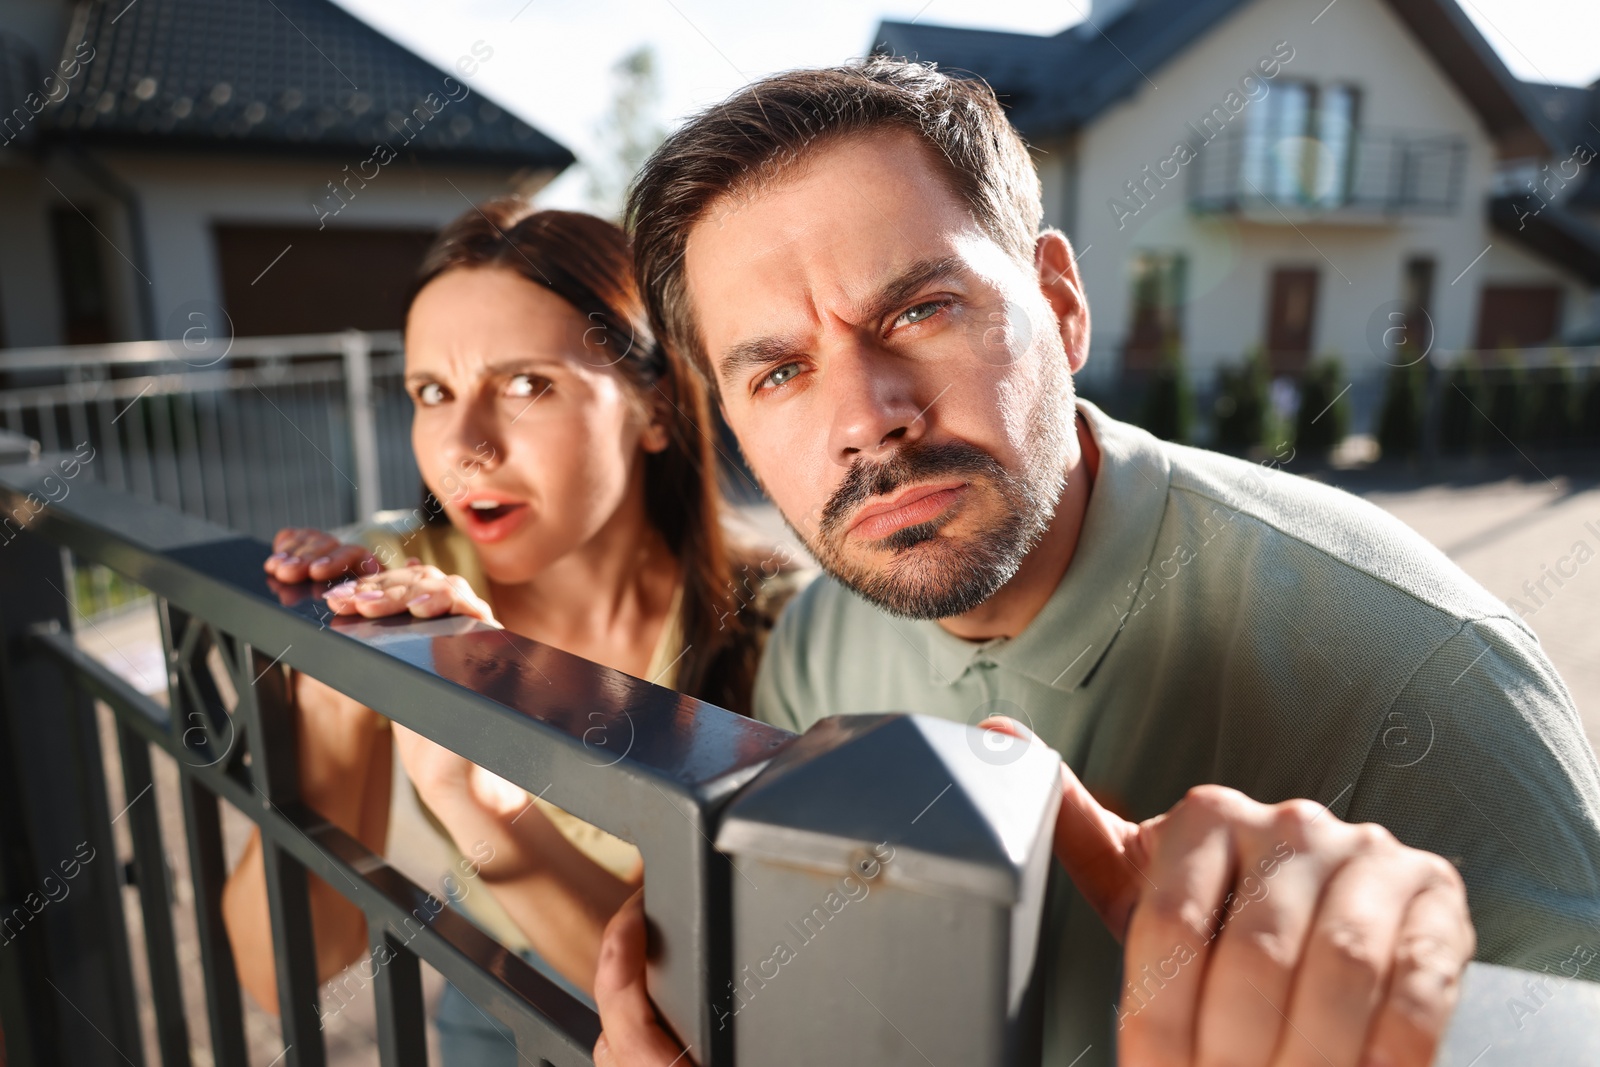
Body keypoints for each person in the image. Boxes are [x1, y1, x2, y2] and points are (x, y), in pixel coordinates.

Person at [588, 57, 1600, 1065]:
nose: (865, 418)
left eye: (919, 309)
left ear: (1060, 304)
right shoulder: (814, 644)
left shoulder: (1419, 664)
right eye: (780, 370)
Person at [220, 202, 801, 1065]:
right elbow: (288, 979)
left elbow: (729, 1011)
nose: (463, 448)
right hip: (488, 1004)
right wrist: (336, 685)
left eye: (528, 384)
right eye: (432, 392)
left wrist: (483, 802)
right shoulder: (399, 593)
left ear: (658, 409)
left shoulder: (776, 619)